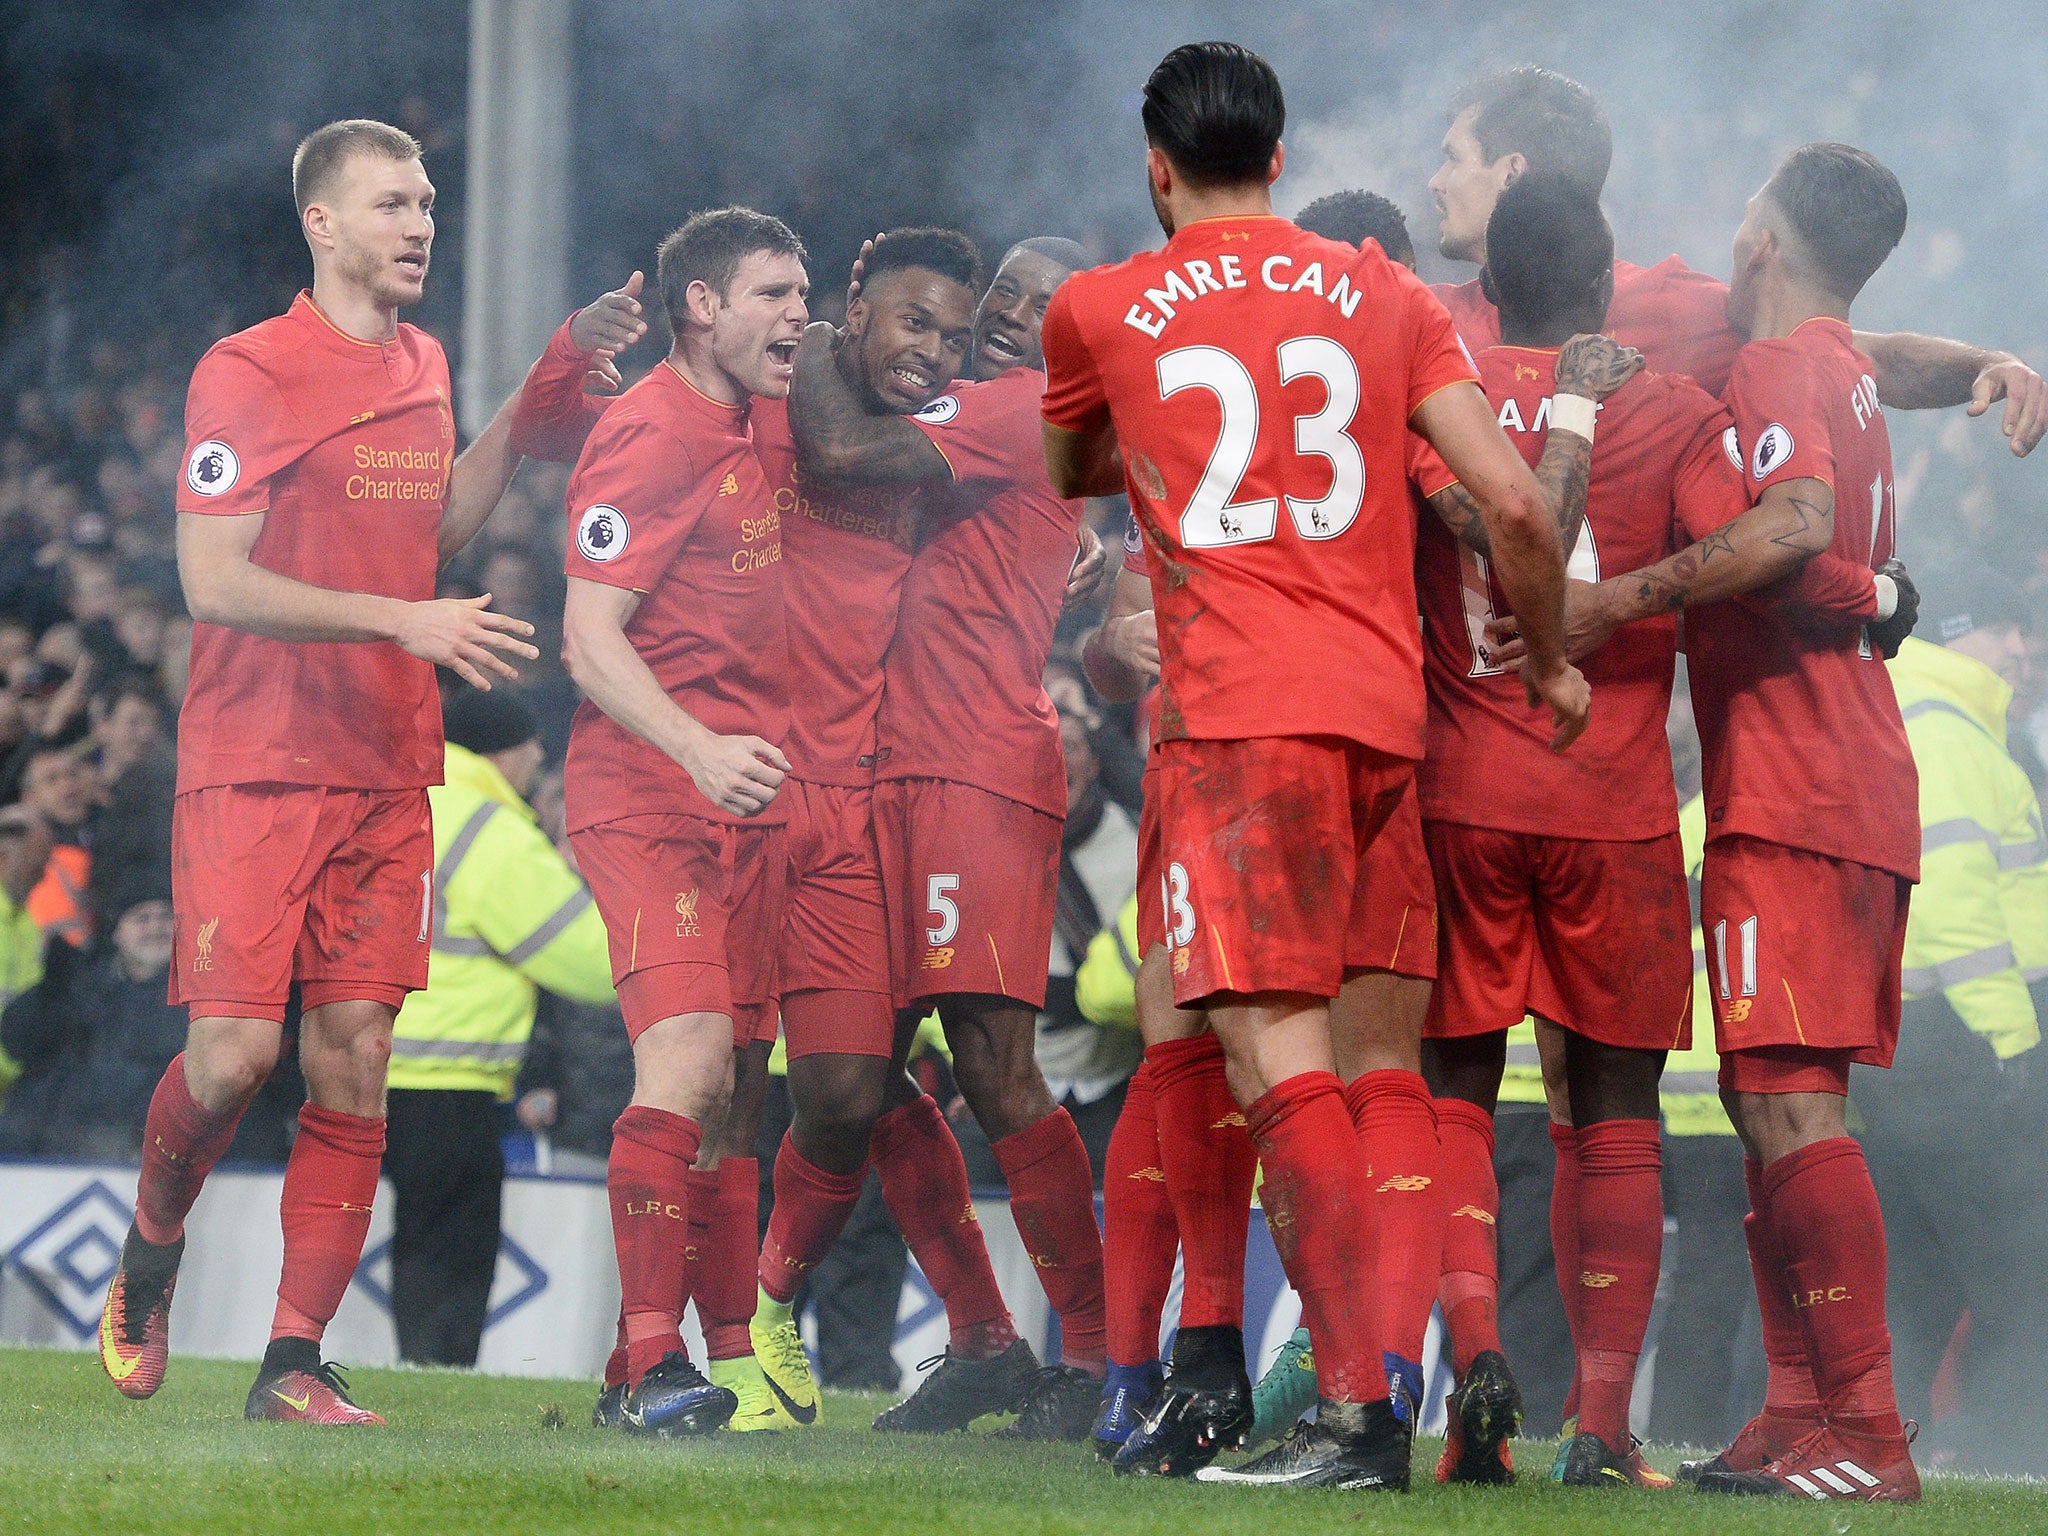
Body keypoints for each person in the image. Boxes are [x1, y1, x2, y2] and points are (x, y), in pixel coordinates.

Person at [1040, 41, 1589, 1492]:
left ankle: (1352, 1414)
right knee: (1384, 1073)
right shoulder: (1390, 294)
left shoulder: (1098, 308)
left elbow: (1073, 470)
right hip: (1388, 731)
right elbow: (1520, 506)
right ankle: (1391, 1378)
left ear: (1155, 166)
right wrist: (1547, 661)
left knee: (1267, 1071)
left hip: (1235, 730)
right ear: (1279, 158)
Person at [94, 117, 633, 1426]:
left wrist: (536, 394)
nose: (421, 223)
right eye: (393, 202)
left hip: (387, 768)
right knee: (229, 1062)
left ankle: (292, 1360)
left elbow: (433, 526)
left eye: (430, 202)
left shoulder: (426, 360)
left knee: (354, 1062)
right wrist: (403, 623)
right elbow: (210, 579)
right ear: (321, 224)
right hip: (255, 765)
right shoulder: (246, 369)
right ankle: (149, 1259)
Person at [1554, 144, 1923, 1502]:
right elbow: (1838, 545)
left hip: (1802, 784)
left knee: (1788, 1107)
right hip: (1839, 775)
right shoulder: (1847, 369)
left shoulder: (1775, 371)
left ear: (1763, 234)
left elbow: (1791, 531)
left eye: (1740, 205)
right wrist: (1880, 595)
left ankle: (1869, 1435)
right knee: (1773, 1103)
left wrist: (1620, 598)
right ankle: (1798, 1409)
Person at [755, 230, 1114, 1440]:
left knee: (994, 1068)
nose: (1011, 315)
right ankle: (979, 1340)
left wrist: (810, 334)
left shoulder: (1018, 411)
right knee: (858, 1070)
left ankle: (1095, 1363)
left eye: (1040, 304)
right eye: (1001, 296)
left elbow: (840, 442)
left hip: (969, 773)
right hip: (873, 773)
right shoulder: (987, 410)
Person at [557, 206, 807, 1438]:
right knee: (691, 1061)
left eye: (804, 292)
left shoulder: (765, 417)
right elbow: (585, 637)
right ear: (701, 304)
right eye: (772, 293)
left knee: (735, 1088)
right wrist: (698, 747)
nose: (797, 314)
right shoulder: (648, 432)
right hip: (650, 791)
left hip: (746, 796)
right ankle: (650, 1368)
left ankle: (699, 1364)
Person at [1425, 65, 2048, 446]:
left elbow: (1860, 358)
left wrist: (1989, 366)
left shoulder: (1663, 308)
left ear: (1511, 173)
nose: (1435, 182)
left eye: (1453, 158)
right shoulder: (1419, 316)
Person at [1866, 558, 2048, 1473]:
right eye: (2008, 628)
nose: (2027, 648)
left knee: (1916, 1288)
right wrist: (2013, 1046)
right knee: (2026, 1276)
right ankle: (2007, 1455)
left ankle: (1888, 1450)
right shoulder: (1948, 731)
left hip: (1908, 1051)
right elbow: (1952, 914)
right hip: (1966, 1054)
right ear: (1958, 636)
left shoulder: (1927, 719)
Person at [382, 688, 614, 1368]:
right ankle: (437, 1375)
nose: (541, 758)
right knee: (456, 1246)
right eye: (532, 745)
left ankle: (417, 1368)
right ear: (502, 752)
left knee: (419, 1235)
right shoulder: (485, 824)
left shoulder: (403, 800)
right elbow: (583, 955)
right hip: (449, 1076)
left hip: (375, 1061)